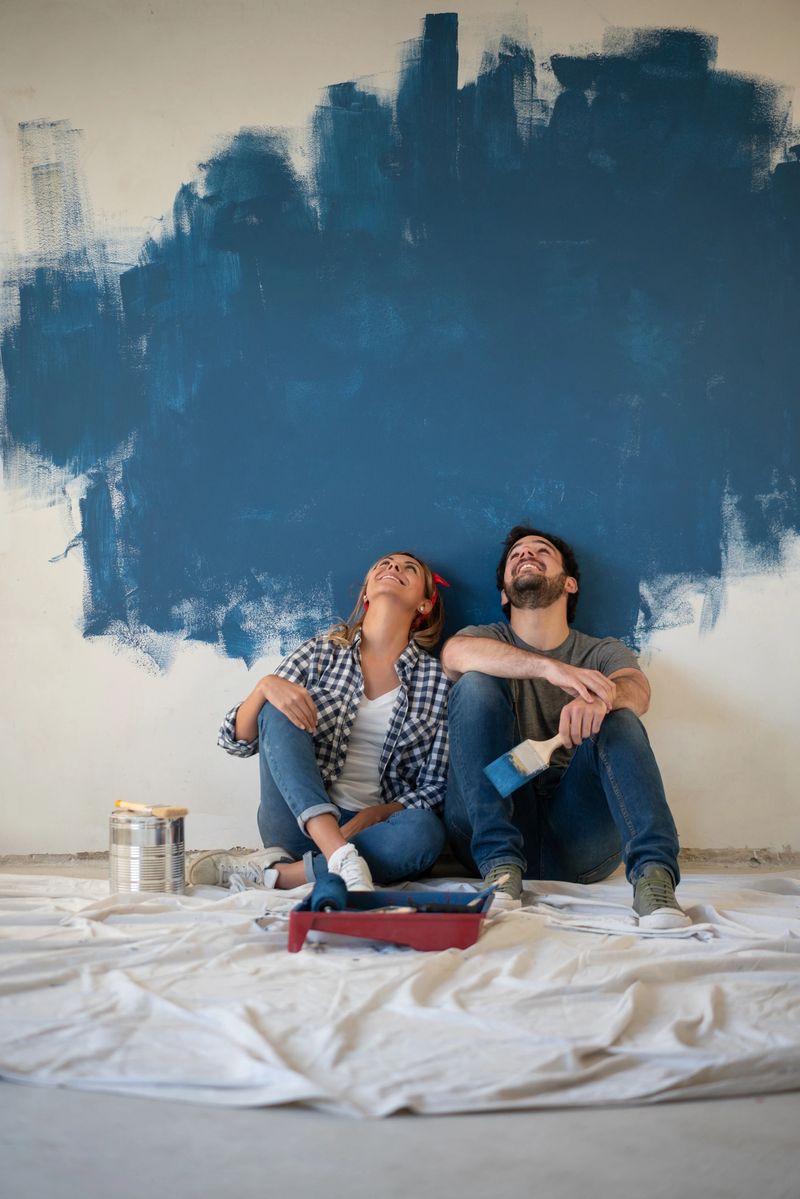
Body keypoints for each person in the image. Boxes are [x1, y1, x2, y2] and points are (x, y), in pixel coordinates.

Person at [441, 524, 690, 927]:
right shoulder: (483, 639)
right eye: (517, 554)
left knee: (621, 718)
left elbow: (638, 691)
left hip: (577, 836)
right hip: (489, 826)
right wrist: (549, 668)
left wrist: (601, 699)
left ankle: (654, 881)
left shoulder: (601, 650)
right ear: (505, 592)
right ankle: (502, 870)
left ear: (570, 584)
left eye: (541, 551)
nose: (526, 555)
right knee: (474, 684)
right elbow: (455, 653)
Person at [189, 552, 450, 893]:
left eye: (409, 568)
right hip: (296, 823)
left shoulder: (439, 682)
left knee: (424, 832)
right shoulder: (320, 653)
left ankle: (280, 875)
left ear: (424, 605)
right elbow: (235, 741)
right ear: (366, 593)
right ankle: (338, 854)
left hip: (375, 834)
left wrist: (378, 814)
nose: (393, 568)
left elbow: (436, 787)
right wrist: (264, 686)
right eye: (383, 565)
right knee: (277, 703)